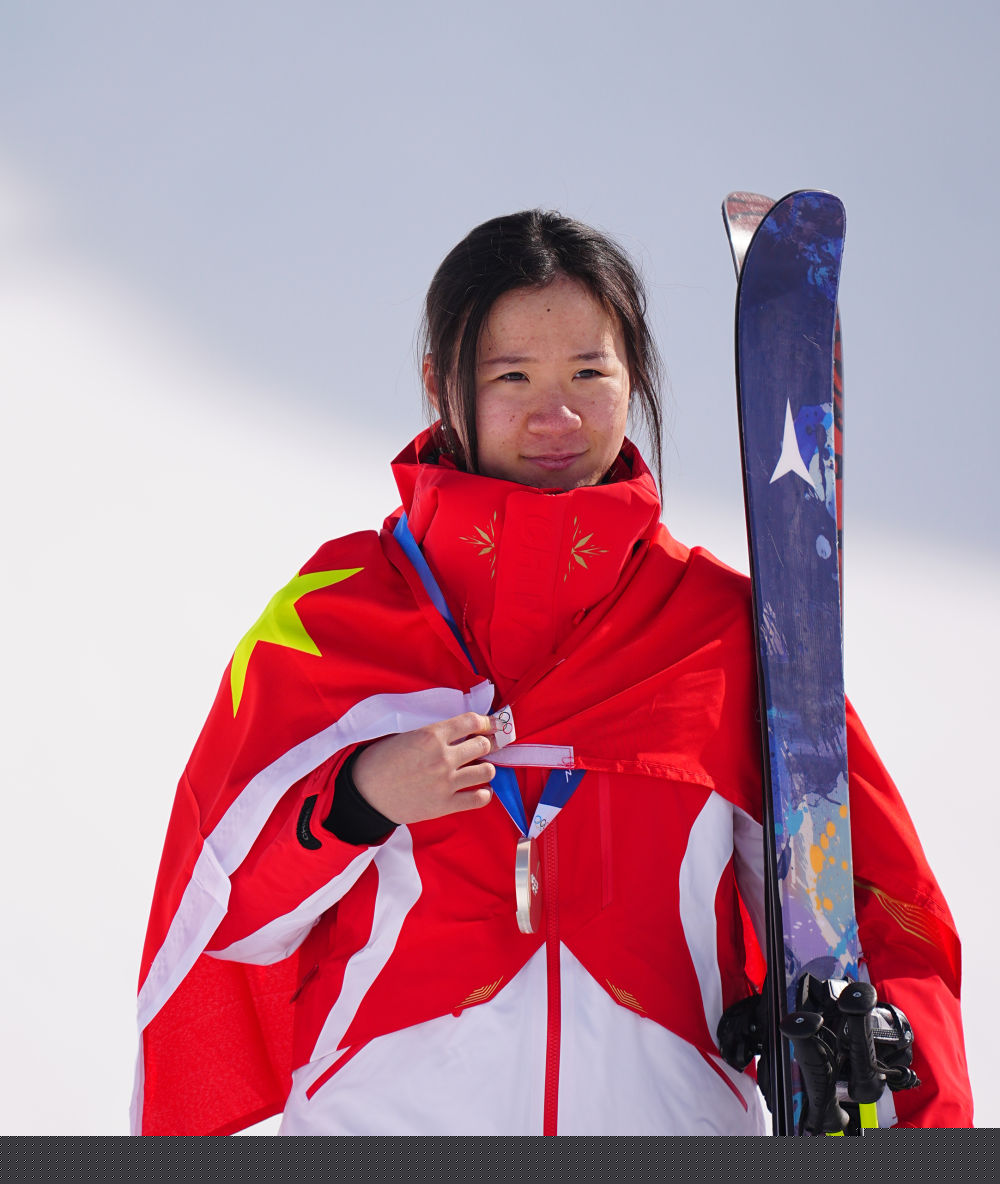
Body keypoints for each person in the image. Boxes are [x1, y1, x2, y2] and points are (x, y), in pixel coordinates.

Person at [132, 210, 973, 1135]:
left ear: (633, 376)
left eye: (588, 372)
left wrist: (897, 1087)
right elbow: (213, 918)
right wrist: (356, 802)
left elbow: (880, 913)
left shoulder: (726, 633)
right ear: (440, 384)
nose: (556, 415)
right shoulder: (333, 619)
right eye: (511, 376)